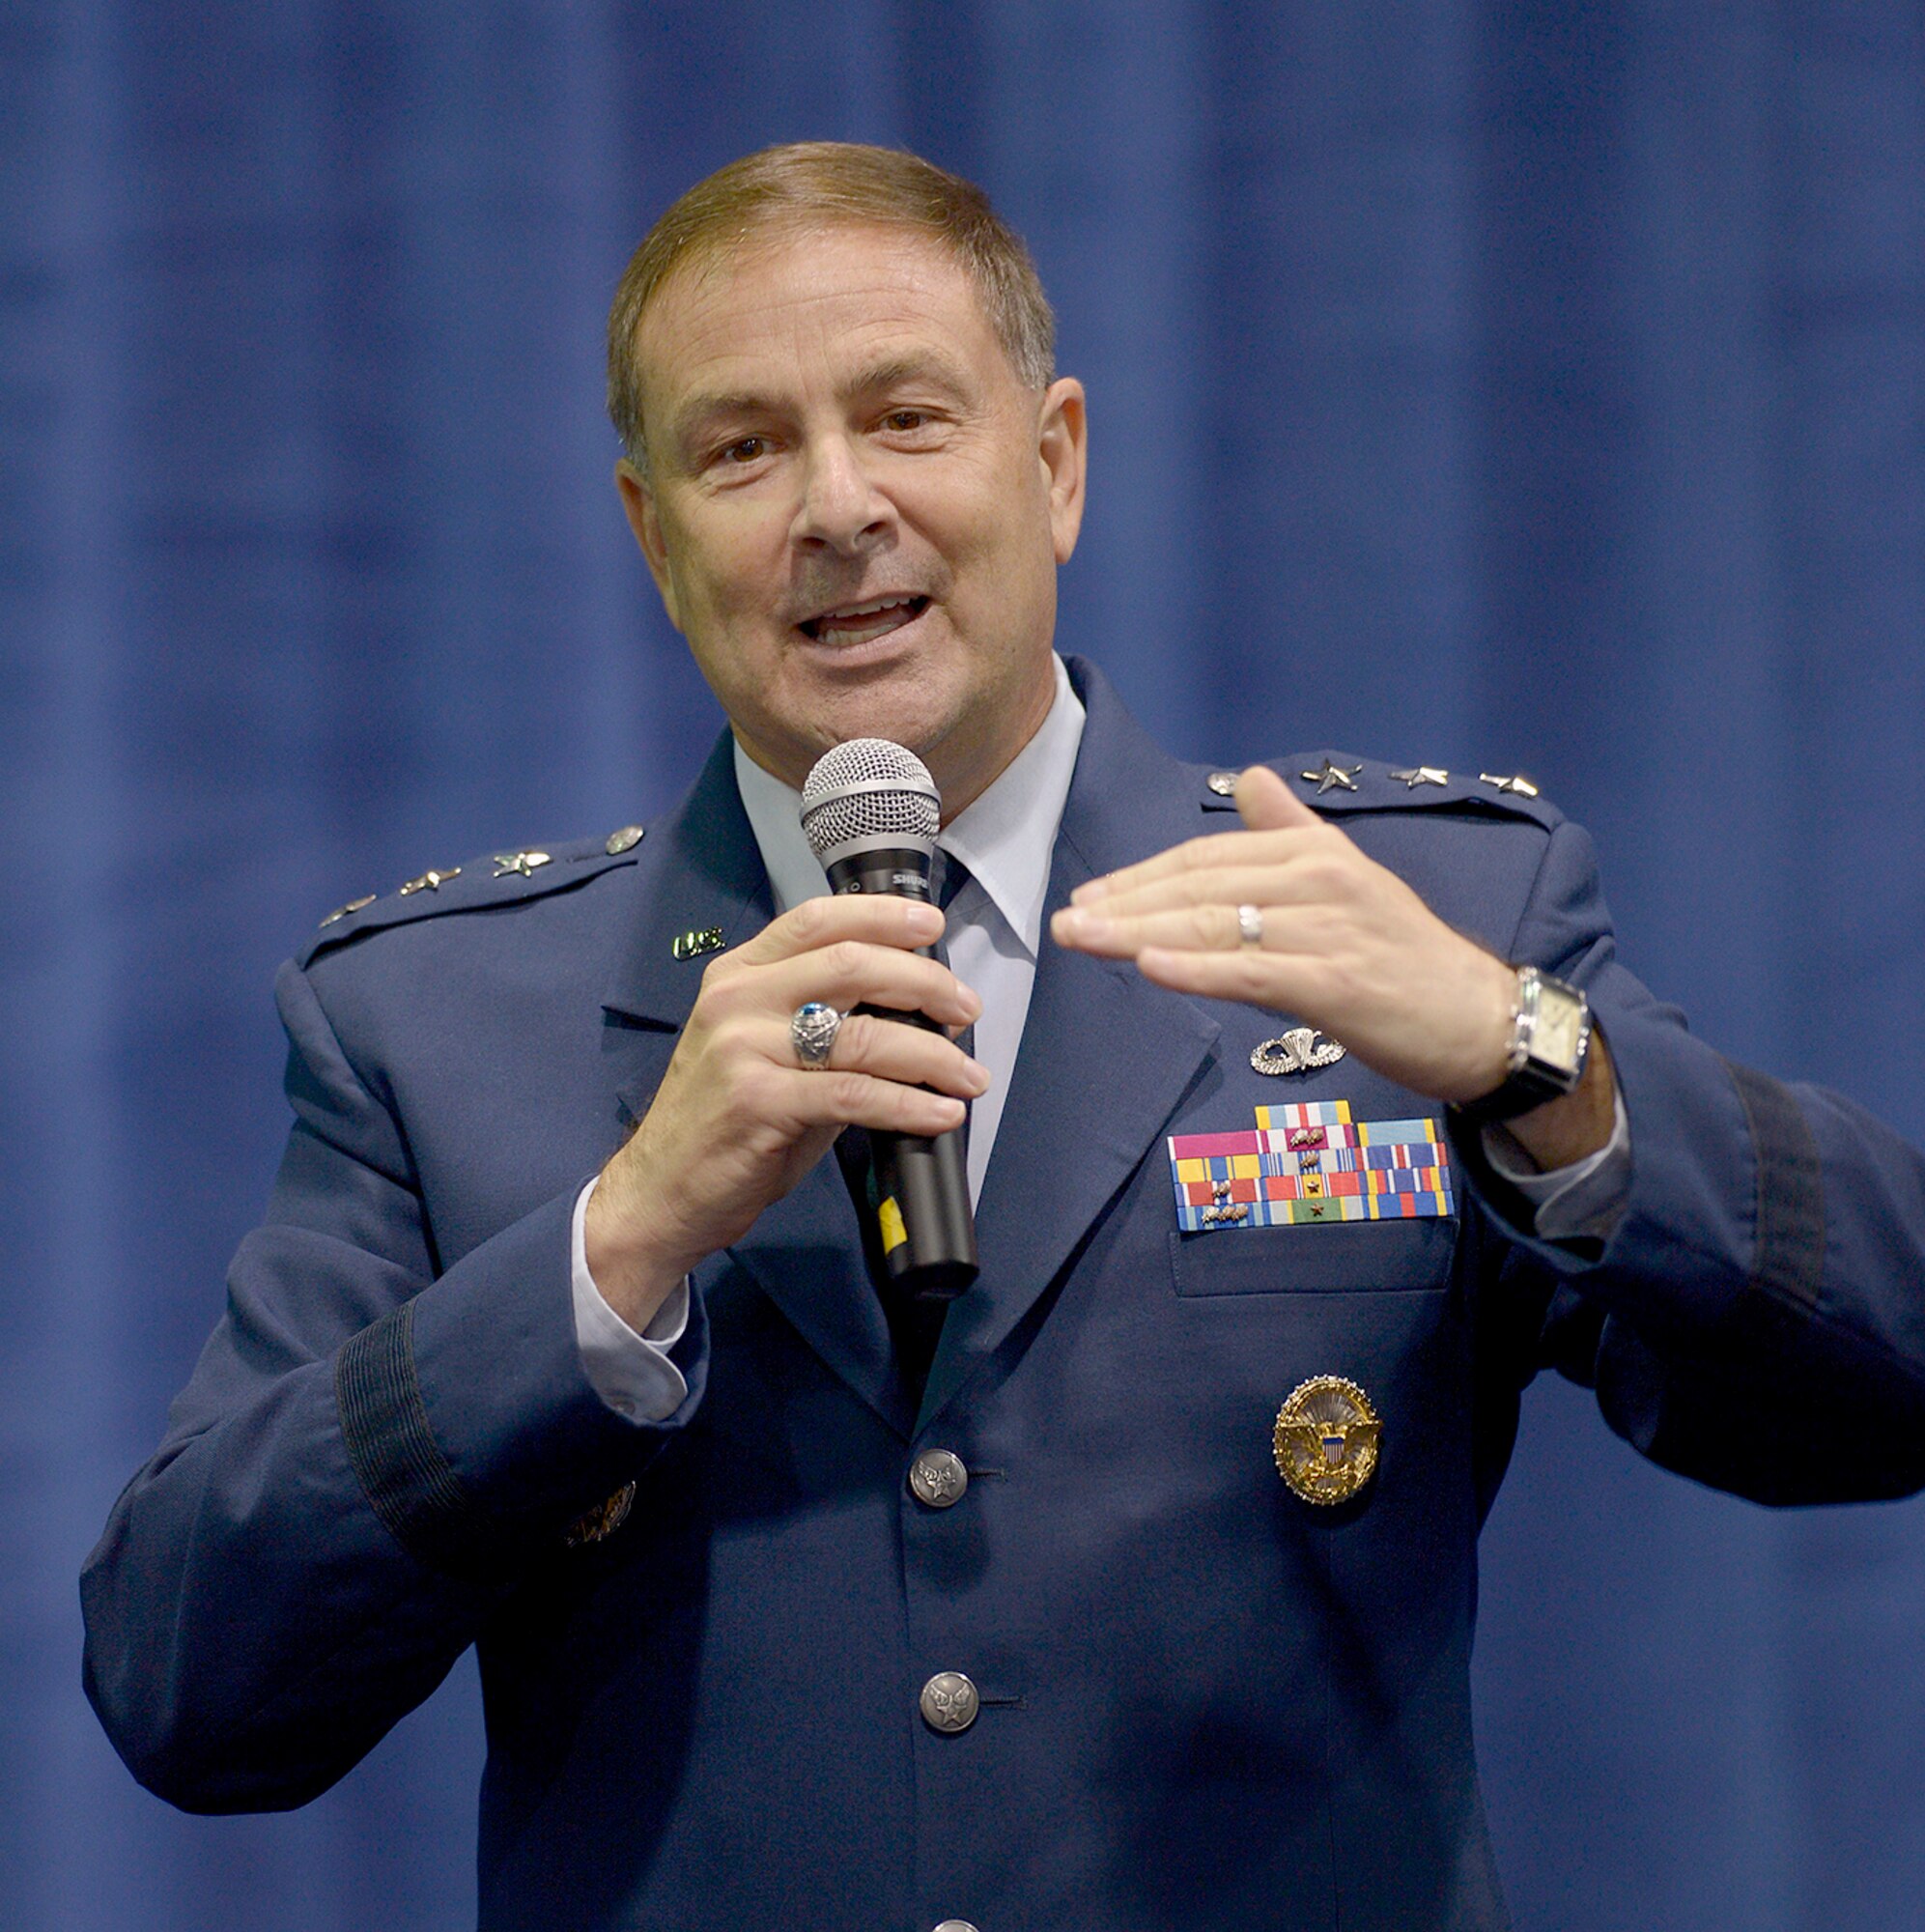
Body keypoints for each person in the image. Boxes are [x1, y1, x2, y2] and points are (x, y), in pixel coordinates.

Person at [83, 143, 1925, 1932]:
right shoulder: (435, 1018)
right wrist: (612, 1246)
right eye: (741, 449)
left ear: (1051, 465)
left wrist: (1535, 1063)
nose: (835, 508)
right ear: (653, 538)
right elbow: (189, 1690)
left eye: (904, 418)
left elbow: (1879, 1391)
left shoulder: (1404, 932)